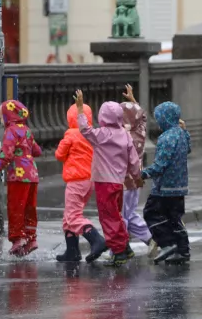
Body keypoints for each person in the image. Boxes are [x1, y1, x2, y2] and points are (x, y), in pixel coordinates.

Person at [75, 89, 142, 267]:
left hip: (104, 183)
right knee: (117, 215)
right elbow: (134, 160)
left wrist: (80, 109)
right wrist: (136, 176)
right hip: (118, 183)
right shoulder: (125, 135)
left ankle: (119, 252)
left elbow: (84, 129)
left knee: (108, 217)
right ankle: (124, 246)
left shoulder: (101, 134)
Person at [0, 99, 43, 257]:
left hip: (18, 176)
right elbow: (37, 151)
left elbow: (7, 154)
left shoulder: (11, 131)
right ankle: (31, 238)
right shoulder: (26, 130)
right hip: (33, 175)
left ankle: (18, 239)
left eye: (1, 117)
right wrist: (26, 150)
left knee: (16, 207)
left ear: (7, 116)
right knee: (29, 208)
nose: (1, 120)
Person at [54, 101, 107, 263]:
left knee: (73, 216)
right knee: (68, 216)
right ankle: (72, 251)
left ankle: (96, 239)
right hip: (89, 179)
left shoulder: (71, 134)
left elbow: (59, 155)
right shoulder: (91, 133)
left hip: (76, 180)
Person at [141, 101, 191, 264]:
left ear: (165, 119)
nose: (158, 122)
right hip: (180, 186)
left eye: (159, 118)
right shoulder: (182, 134)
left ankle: (167, 243)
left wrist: (143, 173)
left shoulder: (166, 138)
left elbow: (161, 164)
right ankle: (183, 250)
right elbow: (188, 148)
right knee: (175, 218)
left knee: (151, 212)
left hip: (164, 187)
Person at [121, 85, 156, 257]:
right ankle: (150, 238)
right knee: (129, 212)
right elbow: (142, 118)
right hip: (137, 180)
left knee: (120, 215)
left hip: (124, 181)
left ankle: (120, 247)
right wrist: (133, 101)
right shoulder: (140, 132)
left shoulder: (123, 137)